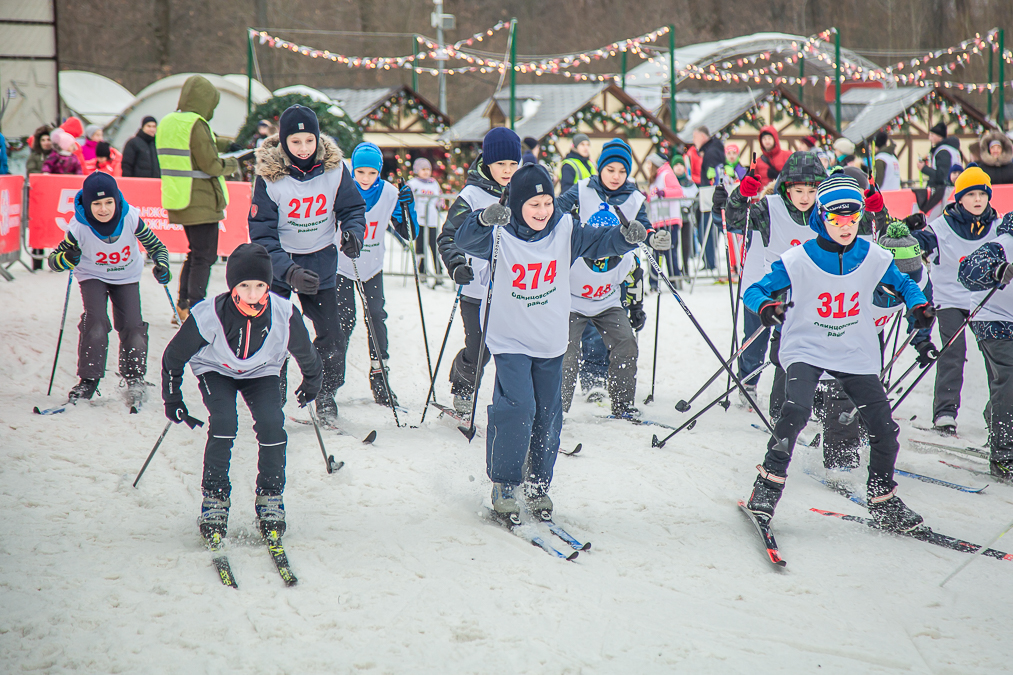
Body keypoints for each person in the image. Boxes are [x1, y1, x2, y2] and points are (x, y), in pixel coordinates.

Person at [454, 163, 648, 520]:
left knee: (548, 412)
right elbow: (463, 239)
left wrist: (626, 237)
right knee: (518, 408)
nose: (542, 212)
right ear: (516, 204)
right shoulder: (499, 232)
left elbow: (600, 242)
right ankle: (505, 483)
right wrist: (482, 219)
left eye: (547, 203)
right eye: (534, 205)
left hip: (550, 338)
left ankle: (538, 485)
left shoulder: (565, 228)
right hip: (509, 336)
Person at [744, 173, 934, 532]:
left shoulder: (874, 256)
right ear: (820, 216)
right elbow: (754, 290)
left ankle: (882, 499)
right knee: (795, 411)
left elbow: (906, 284)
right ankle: (766, 488)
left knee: (884, 427)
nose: (845, 225)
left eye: (852, 216)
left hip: (853, 350)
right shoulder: (798, 259)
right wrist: (767, 307)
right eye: (835, 217)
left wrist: (918, 306)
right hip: (807, 346)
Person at [160, 243, 322, 545]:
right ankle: (215, 500)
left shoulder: (285, 313)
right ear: (233, 284)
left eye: (259, 285)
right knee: (224, 421)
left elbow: (307, 353)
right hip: (215, 370)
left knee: (273, 423)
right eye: (244, 285)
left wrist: (313, 381)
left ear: (268, 285)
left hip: (261, 372)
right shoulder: (208, 314)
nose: (251, 293)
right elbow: (173, 356)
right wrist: (173, 397)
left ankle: (270, 497)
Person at [248, 104, 366, 426]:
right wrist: (288, 271)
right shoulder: (269, 177)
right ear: (284, 142)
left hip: (321, 261)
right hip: (281, 265)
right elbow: (261, 234)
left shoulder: (335, 169)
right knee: (276, 335)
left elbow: (352, 208)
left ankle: (325, 394)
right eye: (295, 142)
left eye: (309, 141)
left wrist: (354, 232)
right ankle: (274, 397)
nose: (303, 148)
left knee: (332, 334)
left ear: (318, 140)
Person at [559, 146, 671, 418]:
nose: (616, 176)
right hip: (572, 295)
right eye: (610, 170)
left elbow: (644, 227)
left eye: (622, 171)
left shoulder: (633, 198)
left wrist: (653, 237)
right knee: (566, 353)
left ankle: (622, 406)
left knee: (626, 344)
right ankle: (555, 410)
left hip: (607, 295)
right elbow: (554, 211)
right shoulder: (583, 189)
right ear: (600, 168)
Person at [716, 152, 829, 414]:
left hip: (805, 292)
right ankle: (749, 381)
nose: (805, 198)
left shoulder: (823, 213)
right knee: (755, 338)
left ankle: (799, 395)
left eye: (811, 191)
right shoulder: (769, 207)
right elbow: (735, 221)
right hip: (765, 283)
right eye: (798, 190)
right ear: (785, 187)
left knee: (797, 346)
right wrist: (740, 196)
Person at [47, 172, 172, 407]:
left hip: (126, 275)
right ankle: (88, 380)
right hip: (93, 275)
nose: (103, 209)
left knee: (133, 325)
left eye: (108, 202)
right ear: (87, 204)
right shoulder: (79, 227)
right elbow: (53, 261)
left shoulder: (131, 217)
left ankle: (134, 377)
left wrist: (162, 265)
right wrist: (66, 258)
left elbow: (157, 247)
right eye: (96, 204)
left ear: (116, 200)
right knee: (95, 321)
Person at [907, 167, 1001, 435]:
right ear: (959, 198)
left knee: (997, 356)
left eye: (982, 193)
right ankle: (945, 412)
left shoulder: (997, 226)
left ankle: (998, 414)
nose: (978, 199)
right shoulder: (942, 227)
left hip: (985, 301)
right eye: (971, 194)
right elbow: (914, 245)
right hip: (950, 299)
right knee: (953, 353)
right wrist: (905, 233)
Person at [437, 127, 520, 414]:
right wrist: (457, 264)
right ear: (487, 163)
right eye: (501, 164)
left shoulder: (522, 192)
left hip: (513, 288)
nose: (507, 170)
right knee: (479, 349)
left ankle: (516, 404)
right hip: (475, 289)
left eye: (513, 164)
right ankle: (463, 390)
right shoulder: (471, 195)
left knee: (514, 351)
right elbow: (448, 236)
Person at [339, 142, 418, 408]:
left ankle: (380, 379)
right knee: (342, 321)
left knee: (376, 318)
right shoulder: (342, 189)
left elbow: (408, 233)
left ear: (380, 172)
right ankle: (329, 384)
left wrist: (408, 208)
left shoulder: (389, 193)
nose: (365, 178)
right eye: (360, 172)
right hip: (342, 266)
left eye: (371, 173)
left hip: (372, 266)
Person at [157, 74, 241, 322]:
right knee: (205, 256)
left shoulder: (171, 121)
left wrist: (228, 144)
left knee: (195, 253)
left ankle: (182, 305)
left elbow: (201, 145)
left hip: (179, 195)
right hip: (201, 198)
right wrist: (235, 162)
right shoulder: (197, 123)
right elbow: (211, 164)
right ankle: (195, 307)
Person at [957, 212, 1013, 481]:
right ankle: (1004, 455)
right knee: (1010, 379)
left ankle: (997, 413)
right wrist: (996, 271)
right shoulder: (1002, 243)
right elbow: (967, 271)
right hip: (994, 320)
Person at [646, 151, 696, 287]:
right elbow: (654, 194)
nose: (648, 167)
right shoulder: (657, 177)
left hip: (669, 219)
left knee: (669, 250)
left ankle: (674, 280)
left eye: (650, 164)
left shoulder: (666, 174)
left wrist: (664, 193)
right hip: (658, 220)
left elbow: (678, 191)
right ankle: (656, 281)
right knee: (657, 250)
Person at [686, 126, 726, 270]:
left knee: (707, 230)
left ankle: (710, 263)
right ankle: (710, 262)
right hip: (712, 198)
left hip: (711, 198)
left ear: (703, 136)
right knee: (711, 230)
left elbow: (713, 177)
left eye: (695, 137)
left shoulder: (711, 152)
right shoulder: (713, 149)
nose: (693, 141)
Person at [406, 157, 445, 285]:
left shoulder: (433, 183)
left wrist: (441, 204)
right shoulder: (413, 183)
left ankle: (439, 273)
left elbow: (440, 197)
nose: (426, 172)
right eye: (423, 169)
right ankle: (421, 272)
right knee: (420, 248)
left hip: (432, 221)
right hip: (419, 221)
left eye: (428, 169)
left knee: (434, 248)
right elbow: (406, 197)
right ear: (417, 170)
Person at [917, 122, 962, 218]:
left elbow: (942, 175)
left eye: (932, 135)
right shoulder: (953, 149)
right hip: (955, 190)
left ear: (939, 136)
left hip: (944, 193)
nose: (930, 138)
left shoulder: (943, 151)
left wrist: (924, 168)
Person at [752, 126, 789, 190]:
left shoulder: (787, 155)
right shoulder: (757, 162)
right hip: (764, 196)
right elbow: (754, 185)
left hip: (782, 195)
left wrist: (781, 176)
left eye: (769, 138)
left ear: (775, 139)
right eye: (764, 139)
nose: (767, 141)